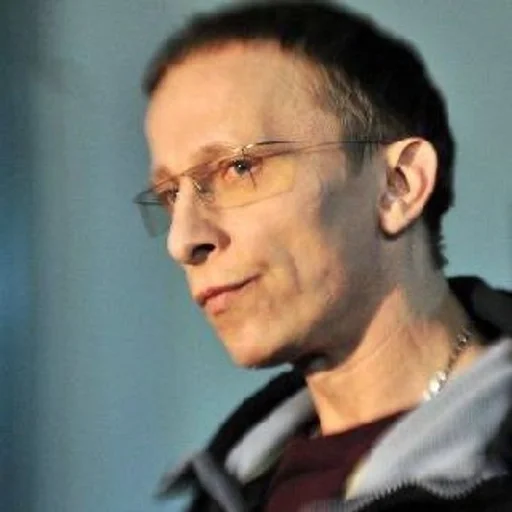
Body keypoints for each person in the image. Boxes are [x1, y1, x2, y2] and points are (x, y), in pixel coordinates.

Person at [134, 1, 512, 510]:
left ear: (398, 185)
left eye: (239, 168)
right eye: (169, 195)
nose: (182, 241)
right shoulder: (231, 484)